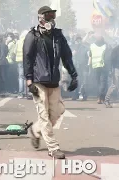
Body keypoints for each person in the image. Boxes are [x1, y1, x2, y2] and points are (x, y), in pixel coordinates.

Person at [23, 6, 78, 159]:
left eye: (53, 16)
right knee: (44, 116)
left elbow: (67, 57)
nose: (51, 20)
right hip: (38, 81)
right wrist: (29, 81)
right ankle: (53, 148)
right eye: (48, 17)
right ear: (41, 18)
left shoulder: (58, 36)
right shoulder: (32, 36)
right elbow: (27, 59)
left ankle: (35, 131)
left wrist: (74, 75)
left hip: (54, 81)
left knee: (58, 111)